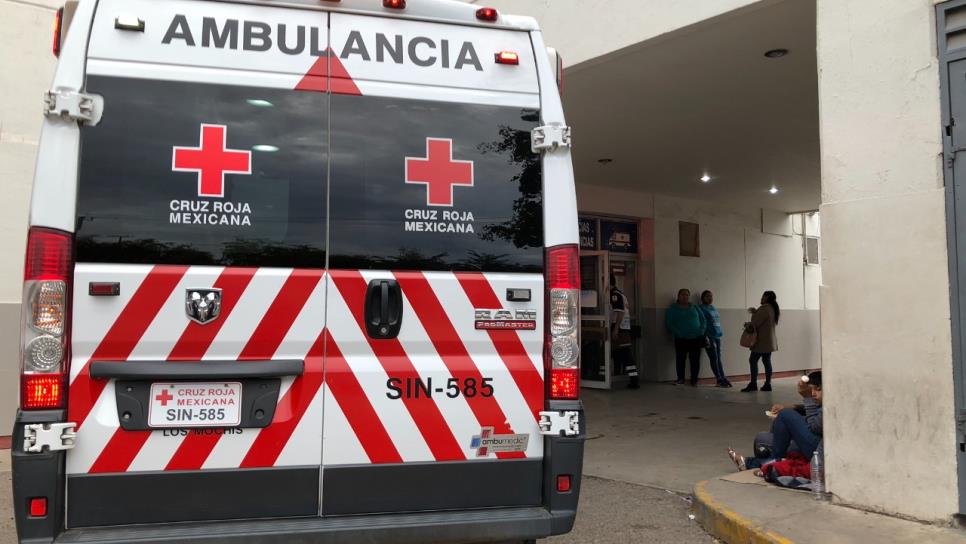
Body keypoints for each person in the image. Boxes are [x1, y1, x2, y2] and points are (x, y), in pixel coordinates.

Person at [728, 371, 823, 471]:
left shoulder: (830, 405)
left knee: (785, 415)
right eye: (811, 390)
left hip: (819, 449)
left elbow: (815, 427)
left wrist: (808, 398)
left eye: (818, 390)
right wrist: (793, 407)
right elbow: (815, 412)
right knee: (761, 438)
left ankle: (772, 461)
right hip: (814, 441)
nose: (813, 394)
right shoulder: (822, 403)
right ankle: (770, 460)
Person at [741, 290, 780, 392]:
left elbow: (755, 323)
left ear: (767, 298)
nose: (761, 298)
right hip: (769, 341)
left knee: (753, 360)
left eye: (763, 296)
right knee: (766, 361)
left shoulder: (764, 309)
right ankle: (767, 384)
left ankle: (753, 384)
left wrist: (753, 316)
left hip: (761, 341)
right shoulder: (772, 309)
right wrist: (756, 312)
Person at [665, 288, 706, 385]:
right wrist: (678, 333)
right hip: (681, 338)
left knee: (695, 360)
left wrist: (701, 331)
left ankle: (694, 380)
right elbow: (669, 323)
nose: (685, 296)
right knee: (680, 359)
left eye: (687, 294)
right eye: (683, 294)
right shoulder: (673, 308)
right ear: (678, 296)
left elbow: (703, 320)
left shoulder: (695, 307)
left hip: (696, 338)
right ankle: (680, 379)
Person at [610, 274, 639, 389]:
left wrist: (616, 329)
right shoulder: (620, 294)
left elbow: (620, 312)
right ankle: (632, 379)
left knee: (626, 354)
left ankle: (634, 380)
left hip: (620, 329)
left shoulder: (615, 294)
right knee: (618, 353)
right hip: (621, 328)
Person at [699, 290, 731, 388]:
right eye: (707, 296)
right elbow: (702, 322)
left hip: (717, 335)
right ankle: (719, 379)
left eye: (711, 296)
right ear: (703, 298)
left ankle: (722, 377)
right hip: (709, 336)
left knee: (718, 358)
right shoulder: (701, 308)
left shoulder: (713, 307)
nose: (710, 298)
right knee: (714, 357)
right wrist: (705, 336)